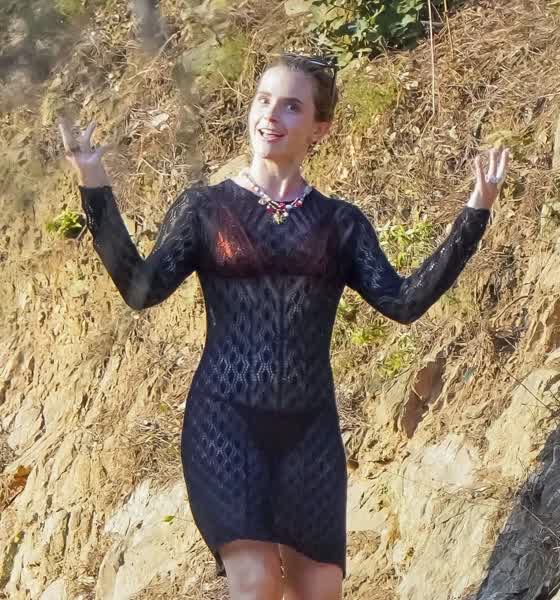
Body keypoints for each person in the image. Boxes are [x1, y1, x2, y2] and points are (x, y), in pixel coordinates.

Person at [59, 53, 509, 600]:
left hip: (309, 430)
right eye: (264, 100)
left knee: (319, 592)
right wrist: (94, 184)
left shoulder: (341, 223)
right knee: (255, 584)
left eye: (292, 106)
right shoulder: (205, 208)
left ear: (320, 128)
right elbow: (142, 289)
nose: (271, 115)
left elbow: (403, 301)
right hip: (224, 421)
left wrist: (474, 213)